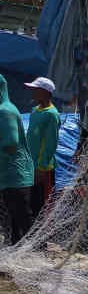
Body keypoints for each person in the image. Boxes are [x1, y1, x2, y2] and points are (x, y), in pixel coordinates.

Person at [0, 74, 34, 244]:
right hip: (9, 175)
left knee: (21, 219)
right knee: (14, 220)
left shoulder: (5, 111)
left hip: (15, 174)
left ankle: (31, 255)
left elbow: (11, 143)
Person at [25, 77, 60, 218]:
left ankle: (39, 235)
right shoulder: (35, 110)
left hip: (42, 168)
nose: (32, 93)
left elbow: (51, 143)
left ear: (45, 92)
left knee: (40, 204)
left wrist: (42, 167)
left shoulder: (51, 115)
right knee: (29, 201)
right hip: (30, 164)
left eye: (35, 90)